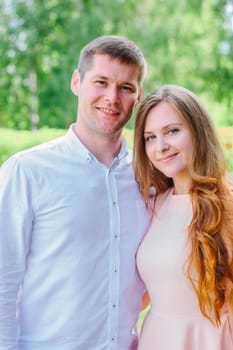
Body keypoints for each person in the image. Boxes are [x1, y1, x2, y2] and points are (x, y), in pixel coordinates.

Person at [0, 35, 151, 350]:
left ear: (138, 98)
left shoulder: (150, 177)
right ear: (76, 82)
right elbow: (3, 278)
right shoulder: (27, 171)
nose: (112, 97)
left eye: (126, 88)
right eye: (101, 82)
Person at [133, 84, 233, 350]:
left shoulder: (228, 204)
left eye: (172, 131)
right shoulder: (153, 204)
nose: (160, 147)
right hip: (156, 339)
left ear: (198, 131)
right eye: (150, 137)